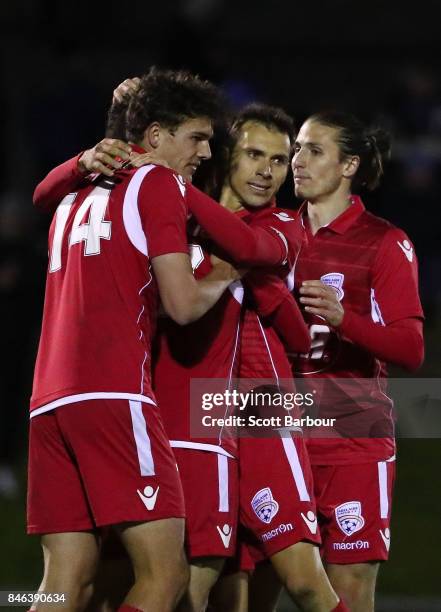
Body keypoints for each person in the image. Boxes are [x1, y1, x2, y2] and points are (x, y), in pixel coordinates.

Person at [32, 84, 309, 611]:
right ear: (155, 136)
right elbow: (184, 304)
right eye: (198, 139)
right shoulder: (159, 187)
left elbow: (41, 193)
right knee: (166, 578)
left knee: (67, 586)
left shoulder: (78, 192)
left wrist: (84, 160)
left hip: (50, 401)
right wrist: (224, 269)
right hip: (121, 400)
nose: (206, 152)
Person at [285, 111, 424, 612]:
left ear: (349, 166)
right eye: (296, 148)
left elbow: (411, 349)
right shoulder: (274, 235)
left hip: (351, 441)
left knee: (347, 592)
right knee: (241, 586)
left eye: (313, 150)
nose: (297, 161)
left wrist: (345, 319)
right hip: (271, 435)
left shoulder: (385, 242)